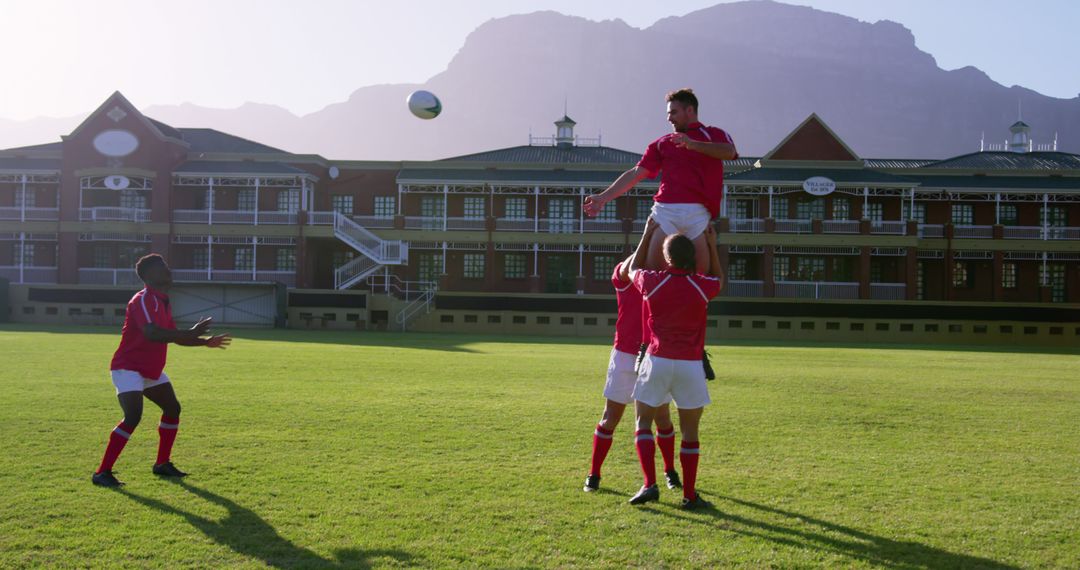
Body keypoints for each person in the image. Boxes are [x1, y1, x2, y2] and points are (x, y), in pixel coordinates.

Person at [92, 254, 231, 487]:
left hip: (149, 369)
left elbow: (174, 337)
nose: (168, 270)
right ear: (148, 275)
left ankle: (162, 464)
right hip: (127, 368)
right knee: (133, 416)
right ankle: (102, 472)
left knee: (172, 408)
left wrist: (205, 341)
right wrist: (188, 333)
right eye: (162, 267)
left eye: (167, 265)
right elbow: (152, 333)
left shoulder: (162, 300)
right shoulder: (143, 300)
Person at [583, 88, 737, 273]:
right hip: (665, 213)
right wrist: (603, 197)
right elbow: (636, 173)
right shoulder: (661, 143)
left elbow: (730, 152)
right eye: (668, 113)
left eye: (673, 112)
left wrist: (693, 144)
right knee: (652, 275)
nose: (669, 118)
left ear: (690, 111)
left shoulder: (713, 135)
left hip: (699, 215)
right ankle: (621, 277)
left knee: (700, 278)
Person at [627, 219, 723, 510]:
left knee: (643, 422)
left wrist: (646, 235)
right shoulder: (702, 286)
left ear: (667, 258)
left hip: (656, 360)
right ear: (692, 257)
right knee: (690, 433)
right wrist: (712, 246)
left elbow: (632, 270)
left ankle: (649, 484)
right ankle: (690, 495)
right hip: (690, 365)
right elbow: (719, 279)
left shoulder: (653, 282)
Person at [583, 254, 681, 494]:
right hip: (625, 354)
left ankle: (669, 471)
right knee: (610, 417)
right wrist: (648, 236)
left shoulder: (660, 278)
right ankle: (594, 474)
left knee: (663, 418)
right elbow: (626, 269)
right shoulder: (626, 274)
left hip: (654, 354)